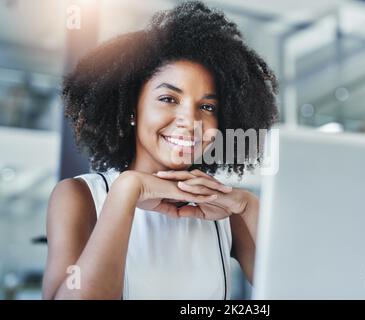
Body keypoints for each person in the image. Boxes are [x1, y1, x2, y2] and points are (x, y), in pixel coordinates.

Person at [42, 0, 278, 299]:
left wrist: (249, 206)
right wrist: (127, 191)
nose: (191, 121)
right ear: (132, 108)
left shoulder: (225, 211)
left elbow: (307, 291)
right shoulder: (81, 197)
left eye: (207, 107)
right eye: (168, 98)